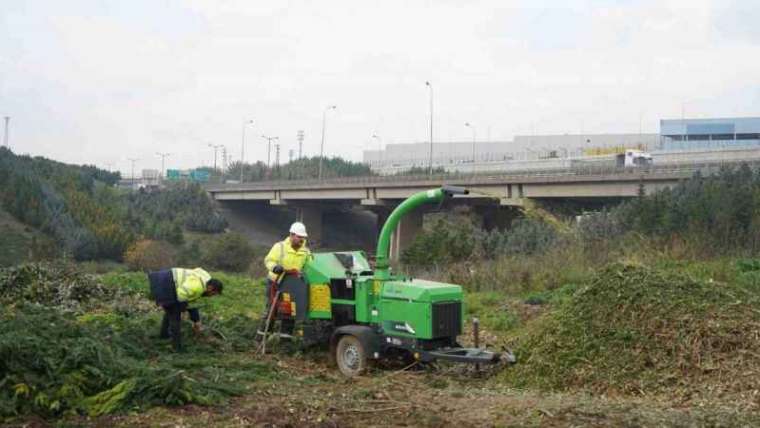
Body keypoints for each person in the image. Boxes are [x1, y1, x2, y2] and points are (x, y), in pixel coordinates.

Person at [148, 267, 223, 351]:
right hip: (164, 283)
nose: (211, 296)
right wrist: (182, 309)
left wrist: (196, 321)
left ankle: (163, 335)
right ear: (210, 288)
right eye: (213, 293)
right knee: (175, 315)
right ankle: (176, 347)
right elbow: (181, 295)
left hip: (164, 279)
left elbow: (192, 303)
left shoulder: (206, 279)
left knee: (170, 309)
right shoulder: (197, 287)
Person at [263, 222, 311, 334]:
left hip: (292, 286)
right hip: (276, 283)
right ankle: (261, 338)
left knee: (290, 312)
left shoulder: (306, 252)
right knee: (272, 310)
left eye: (303, 238)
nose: (301, 240)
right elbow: (268, 260)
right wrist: (275, 267)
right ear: (291, 235)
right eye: (299, 237)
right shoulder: (279, 247)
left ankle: (285, 342)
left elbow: (309, 267)